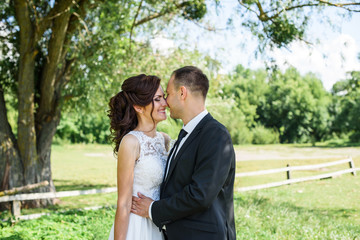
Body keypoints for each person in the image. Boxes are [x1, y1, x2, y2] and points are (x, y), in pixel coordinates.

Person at [132, 66, 236, 240]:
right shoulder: (186, 134)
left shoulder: (215, 134)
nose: (165, 101)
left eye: (168, 94)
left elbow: (200, 194)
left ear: (182, 93)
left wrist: (153, 209)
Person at [107, 74, 170, 240]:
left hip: (157, 224)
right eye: (157, 99)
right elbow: (123, 203)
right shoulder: (131, 142)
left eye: (163, 97)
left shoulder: (164, 140)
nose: (165, 103)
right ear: (139, 107)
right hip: (136, 227)